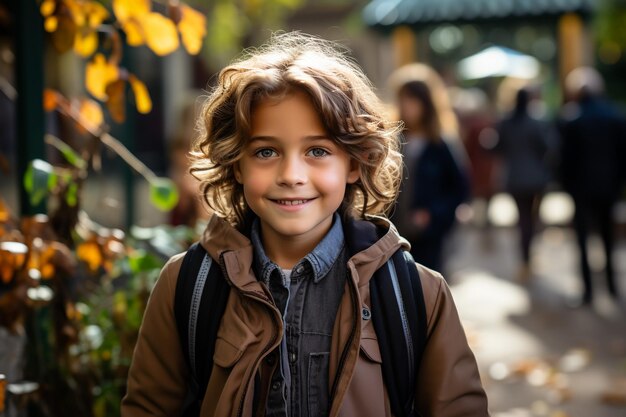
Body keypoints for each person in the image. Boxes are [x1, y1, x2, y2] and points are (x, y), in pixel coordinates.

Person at [122, 33, 488, 417]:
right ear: (237, 165)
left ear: (353, 163)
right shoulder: (188, 285)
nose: (291, 175)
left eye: (317, 151)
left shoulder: (417, 294)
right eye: (266, 151)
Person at [390, 66, 470, 272]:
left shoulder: (441, 144)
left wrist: (431, 214)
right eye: (403, 99)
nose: (407, 107)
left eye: (412, 100)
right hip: (392, 233)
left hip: (427, 237)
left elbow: (459, 189)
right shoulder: (391, 140)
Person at [559, 67, 626, 305]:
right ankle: (612, 288)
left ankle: (588, 291)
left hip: (581, 189)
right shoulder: (615, 116)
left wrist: (566, 187)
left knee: (583, 240)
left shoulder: (572, 119)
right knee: (609, 238)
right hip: (609, 187)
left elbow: (564, 160)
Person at [493, 87, 556, 282]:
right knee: (532, 218)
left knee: (523, 219)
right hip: (536, 178)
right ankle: (528, 256)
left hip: (515, 178)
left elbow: (497, 148)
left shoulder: (506, 122)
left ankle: (525, 257)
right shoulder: (536, 122)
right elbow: (547, 147)